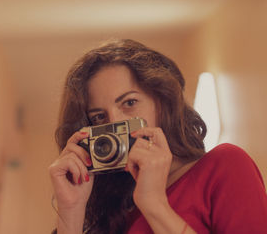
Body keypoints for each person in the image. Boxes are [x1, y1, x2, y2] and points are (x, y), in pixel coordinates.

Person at [48, 39, 267, 234]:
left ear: (162, 102)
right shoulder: (114, 209)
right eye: (98, 117)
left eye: (129, 102)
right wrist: (71, 212)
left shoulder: (224, 166)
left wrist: (154, 204)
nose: (114, 123)